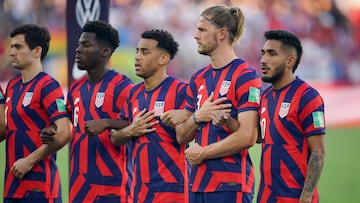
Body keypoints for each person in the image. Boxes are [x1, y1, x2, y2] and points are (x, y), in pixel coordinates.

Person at [175, 5, 262, 203]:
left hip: (230, 185)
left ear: (222, 34)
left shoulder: (246, 76)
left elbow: (248, 135)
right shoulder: (198, 78)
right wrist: (199, 116)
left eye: (202, 30)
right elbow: (181, 135)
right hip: (196, 184)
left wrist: (203, 153)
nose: (196, 35)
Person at [111, 28, 188, 203]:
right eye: (137, 51)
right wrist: (131, 130)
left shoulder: (181, 91)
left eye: (145, 52)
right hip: (137, 192)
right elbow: (115, 138)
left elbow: (185, 136)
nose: (137, 56)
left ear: (163, 59)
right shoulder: (133, 93)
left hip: (172, 191)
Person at [63, 20, 133, 202]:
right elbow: (68, 121)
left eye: (86, 45)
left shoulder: (122, 86)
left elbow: (138, 121)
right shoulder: (75, 89)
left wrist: (107, 123)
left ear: (105, 52)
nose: (78, 49)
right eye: (79, 44)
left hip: (110, 183)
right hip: (78, 184)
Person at [3, 24, 71, 202]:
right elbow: (4, 131)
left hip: (40, 189)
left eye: (18, 47)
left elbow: (64, 132)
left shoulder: (49, 86)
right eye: (11, 47)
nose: (11, 53)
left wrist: (29, 161)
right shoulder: (12, 86)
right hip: (11, 188)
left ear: (36, 51)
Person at [257, 30, 326, 203]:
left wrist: (306, 196)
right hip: (266, 196)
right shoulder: (265, 97)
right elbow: (257, 136)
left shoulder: (307, 96)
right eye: (263, 53)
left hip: (294, 197)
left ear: (289, 61)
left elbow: (318, 152)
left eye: (272, 54)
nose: (263, 60)